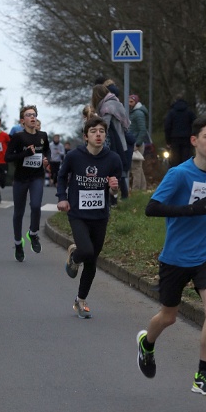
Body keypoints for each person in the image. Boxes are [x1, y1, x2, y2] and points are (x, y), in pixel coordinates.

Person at [137, 115, 206, 396]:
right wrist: (191, 210)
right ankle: (146, 343)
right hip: (175, 257)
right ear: (194, 141)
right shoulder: (179, 174)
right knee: (168, 317)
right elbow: (152, 208)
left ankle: (202, 376)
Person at [57, 116, 122, 318]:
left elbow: (115, 191)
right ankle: (75, 257)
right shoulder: (74, 156)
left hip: (100, 215)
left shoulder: (113, 159)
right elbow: (61, 177)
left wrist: (114, 189)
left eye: (101, 131)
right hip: (78, 213)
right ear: (86, 136)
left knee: (92, 261)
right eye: (93, 131)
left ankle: (80, 300)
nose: (98, 135)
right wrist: (62, 198)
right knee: (86, 250)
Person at [5, 105, 50, 262]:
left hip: (37, 177)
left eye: (34, 115)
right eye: (29, 115)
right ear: (22, 121)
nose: (32, 117)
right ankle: (18, 243)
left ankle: (33, 233)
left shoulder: (43, 135)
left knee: (36, 206)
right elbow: (7, 157)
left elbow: (47, 150)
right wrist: (25, 153)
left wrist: (46, 159)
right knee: (18, 212)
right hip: (20, 179)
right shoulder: (18, 137)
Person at [92, 84, 130, 203]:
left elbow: (105, 126)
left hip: (113, 143)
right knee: (119, 169)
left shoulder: (107, 107)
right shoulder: (116, 103)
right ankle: (124, 196)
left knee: (112, 170)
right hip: (121, 140)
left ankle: (113, 199)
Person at [164, 95, 196, 166]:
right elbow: (195, 125)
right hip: (187, 139)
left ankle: (177, 172)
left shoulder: (171, 113)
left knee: (175, 160)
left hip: (174, 139)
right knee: (187, 160)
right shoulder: (189, 112)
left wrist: (168, 141)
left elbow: (167, 127)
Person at [128, 94, 149, 191]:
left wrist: (137, 143)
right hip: (136, 142)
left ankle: (136, 189)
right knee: (138, 167)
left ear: (135, 102)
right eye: (129, 101)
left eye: (131, 102)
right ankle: (142, 188)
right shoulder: (135, 112)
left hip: (136, 144)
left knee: (136, 168)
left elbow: (143, 130)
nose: (129, 104)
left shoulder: (138, 113)